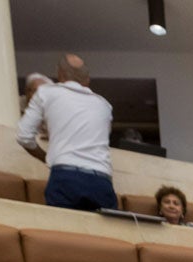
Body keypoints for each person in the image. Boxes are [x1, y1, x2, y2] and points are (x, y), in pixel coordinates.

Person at [15, 53, 117, 211]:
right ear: (87, 80)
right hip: (102, 180)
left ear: (59, 74)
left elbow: (23, 136)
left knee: (65, 232)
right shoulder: (104, 105)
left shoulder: (46, 93)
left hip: (66, 177)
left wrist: (46, 157)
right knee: (102, 235)